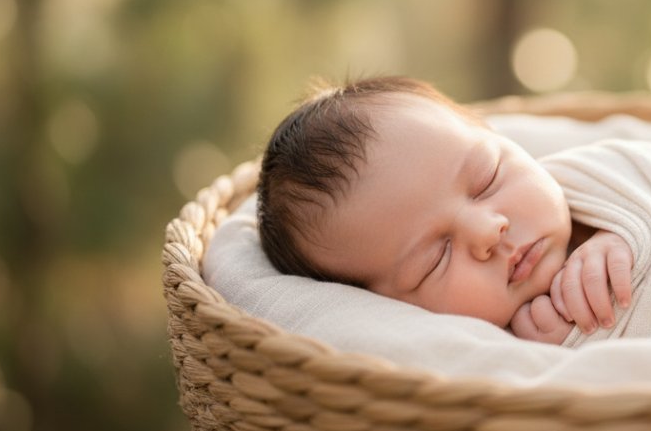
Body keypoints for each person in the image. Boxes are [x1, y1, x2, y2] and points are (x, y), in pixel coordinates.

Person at [257, 76, 630, 345]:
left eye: (487, 179)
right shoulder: (476, 355)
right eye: (436, 258)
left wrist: (627, 232)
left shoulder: (605, 178)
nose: (488, 231)